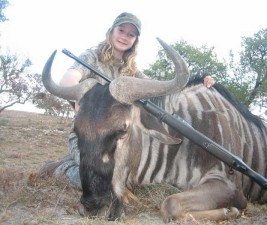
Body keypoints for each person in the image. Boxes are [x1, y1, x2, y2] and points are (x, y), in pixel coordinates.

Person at [39, 12, 215, 189]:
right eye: (121, 30)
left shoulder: (132, 69)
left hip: (119, 139)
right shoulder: (91, 56)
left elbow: (159, 88)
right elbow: (67, 81)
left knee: (133, 177)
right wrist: (81, 102)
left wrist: (198, 82)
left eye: (131, 34)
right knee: (101, 182)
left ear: (135, 40)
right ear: (111, 31)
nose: (125, 37)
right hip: (89, 137)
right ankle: (58, 168)